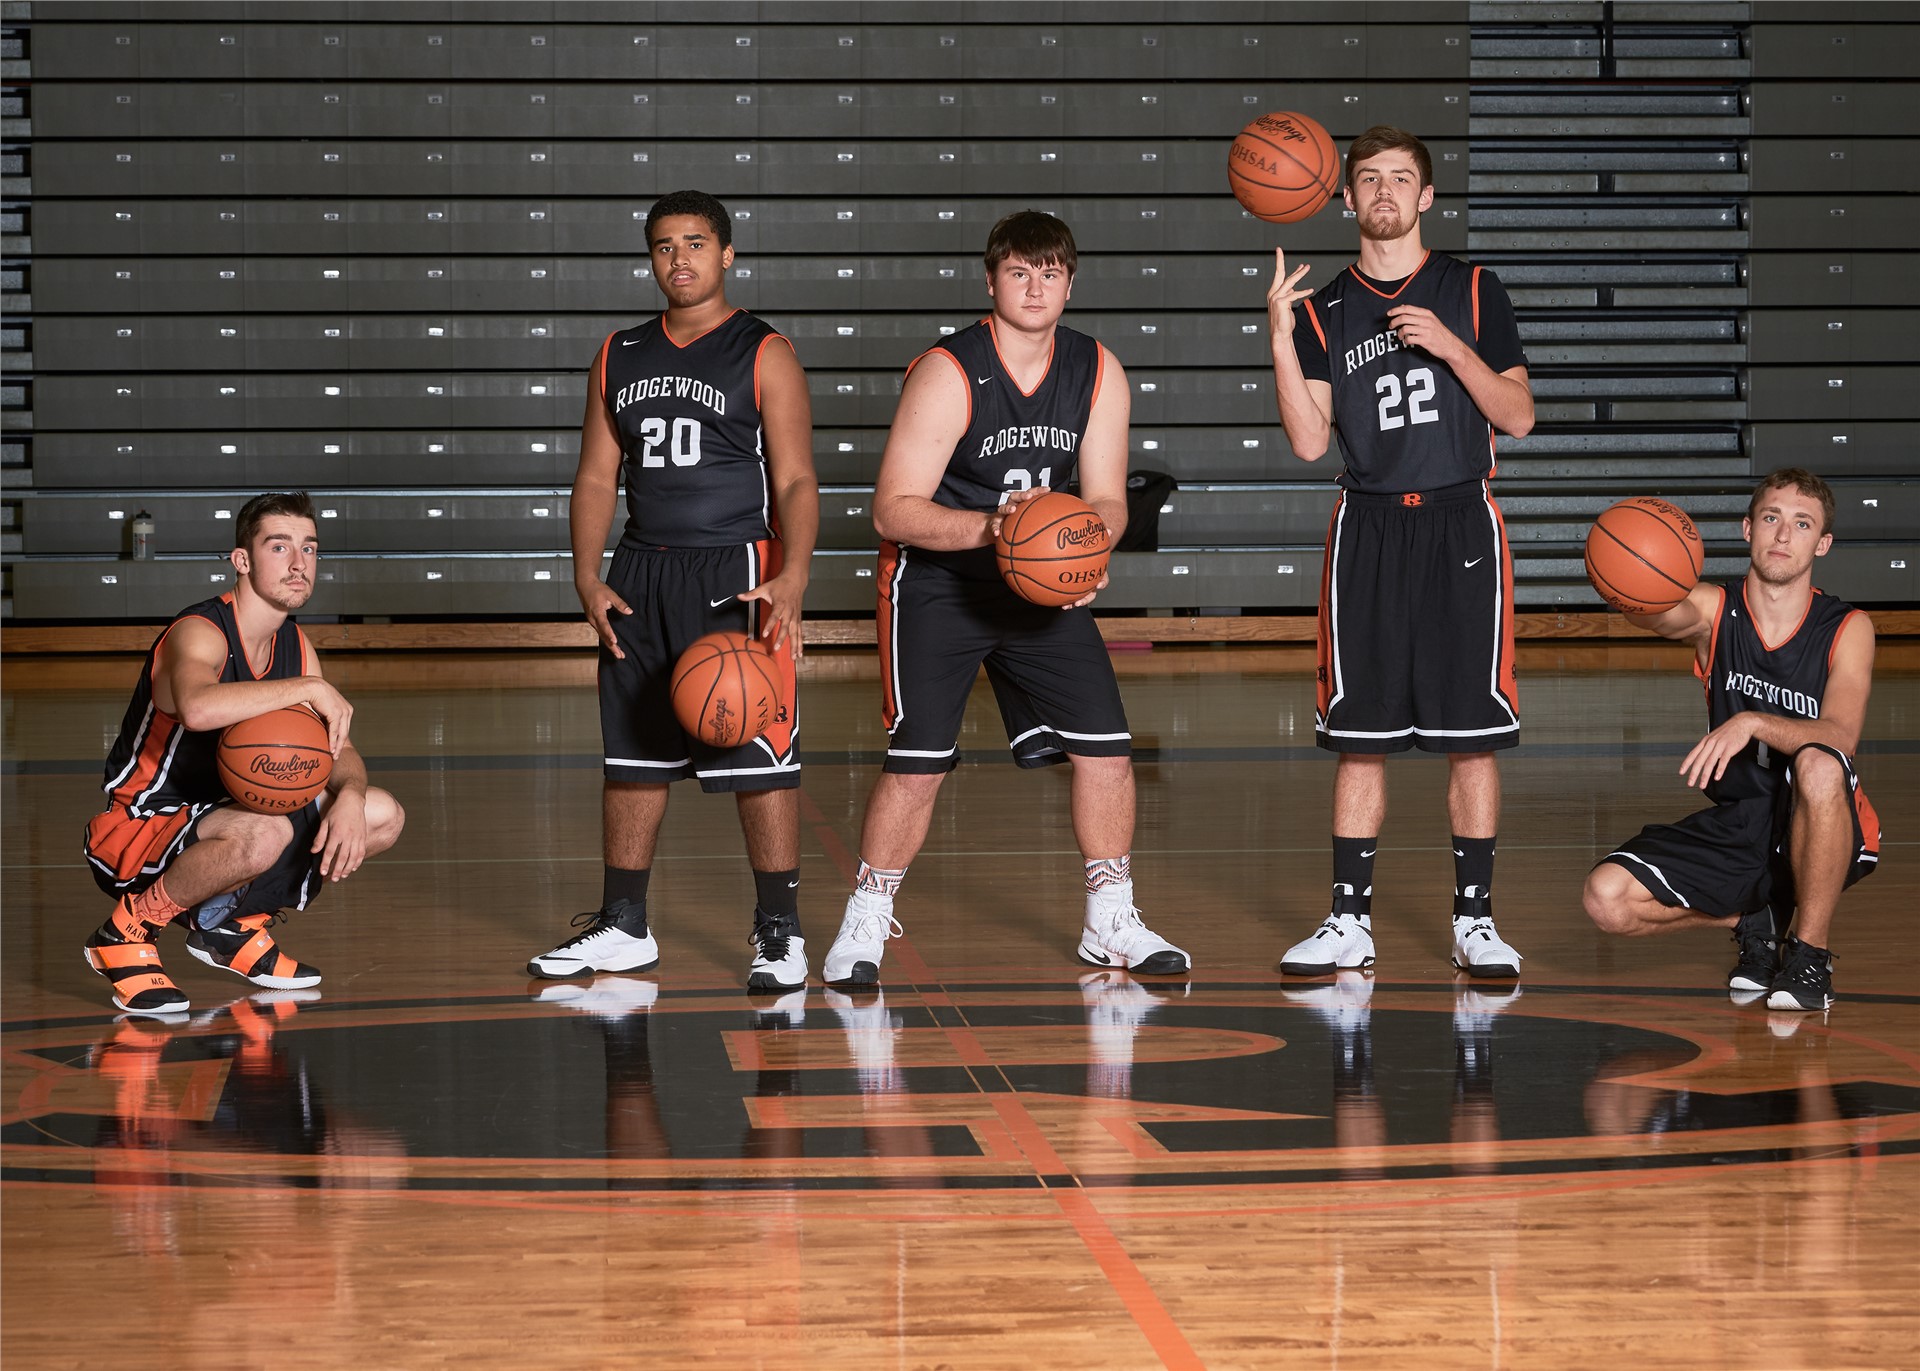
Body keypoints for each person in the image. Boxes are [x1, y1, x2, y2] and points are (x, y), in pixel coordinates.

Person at [820, 210, 1189, 986]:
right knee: (918, 764)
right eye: (1019, 271)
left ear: (1070, 282)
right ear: (991, 281)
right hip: (938, 583)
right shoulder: (950, 370)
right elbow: (892, 508)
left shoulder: (1097, 369)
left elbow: (1111, 499)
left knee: (1107, 752)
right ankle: (863, 921)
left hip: (1037, 588)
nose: (1035, 286)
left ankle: (1110, 918)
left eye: (1050, 272)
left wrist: (1087, 544)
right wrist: (1000, 528)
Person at [526, 189, 819, 992]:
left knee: (759, 755)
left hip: (737, 572)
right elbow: (594, 475)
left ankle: (781, 932)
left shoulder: (764, 351)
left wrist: (793, 573)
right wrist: (587, 575)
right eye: (663, 246)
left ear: (727, 255)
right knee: (632, 757)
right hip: (641, 571)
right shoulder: (618, 353)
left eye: (695, 243)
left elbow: (795, 477)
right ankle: (624, 925)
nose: (679, 258)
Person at [1264, 125, 1535, 979]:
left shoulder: (1475, 289)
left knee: (1473, 739)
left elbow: (1520, 416)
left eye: (1401, 179)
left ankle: (1475, 923)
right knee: (1359, 738)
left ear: (1426, 198)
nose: (1384, 192)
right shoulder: (1319, 311)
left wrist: (1452, 346)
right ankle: (1349, 922)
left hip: (1460, 523)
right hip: (1368, 527)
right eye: (1368, 179)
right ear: (1345, 199)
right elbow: (1310, 443)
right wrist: (1276, 334)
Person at [82, 492, 406, 1016]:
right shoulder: (200, 632)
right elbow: (196, 707)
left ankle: (228, 925)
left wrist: (352, 793)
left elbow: (334, 748)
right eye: (279, 547)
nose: (299, 563)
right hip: (140, 825)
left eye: (310, 549)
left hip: (227, 823)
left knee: (382, 815)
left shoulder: (295, 647)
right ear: (242, 560)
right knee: (267, 831)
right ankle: (126, 929)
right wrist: (307, 690)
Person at [1583, 470, 1879, 1012]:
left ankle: (1810, 955)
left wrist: (1752, 722)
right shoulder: (1715, 612)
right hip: (1742, 822)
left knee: (1819, 762)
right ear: (1748, 528)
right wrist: (1626, 566)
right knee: (1607, 899)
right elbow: (1650, 609)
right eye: (1771, 518)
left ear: (1823, 543)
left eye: (1802, 523)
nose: (1783, 535)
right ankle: (1749, 918)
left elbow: (1841, 735)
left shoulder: (1847, 626)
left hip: (1822, 819)